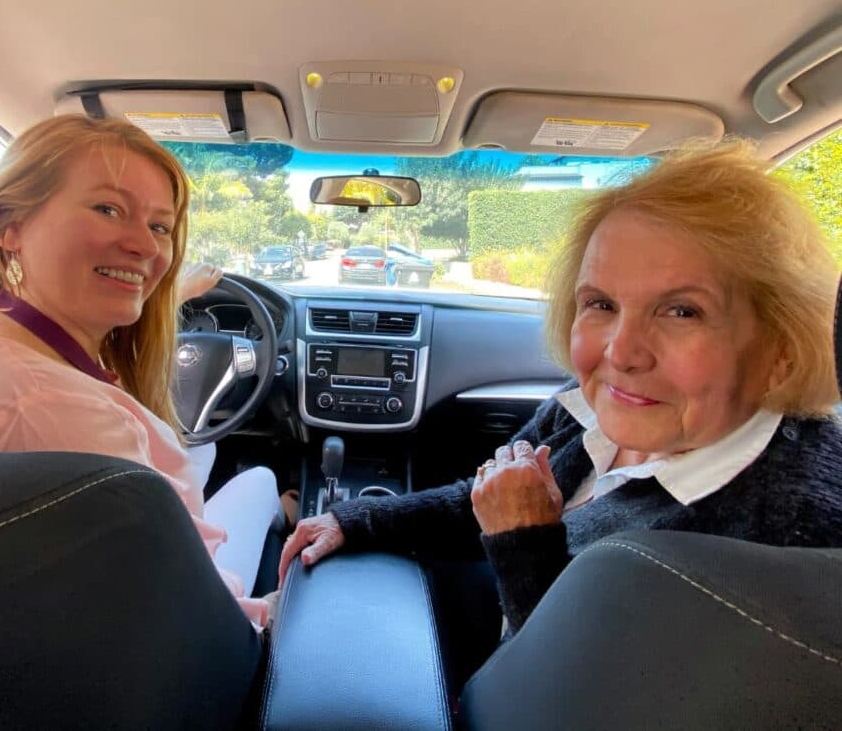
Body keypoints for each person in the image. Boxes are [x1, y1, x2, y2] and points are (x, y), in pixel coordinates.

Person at [280, 141, 842, 641]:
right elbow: (484, 497)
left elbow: (585, 693)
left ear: (782, 347)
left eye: (682, 311)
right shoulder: (592, 407)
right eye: (600, 303)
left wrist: (523, 540)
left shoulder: (797, 536)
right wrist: (356, 521)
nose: (620, 353)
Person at [0, 115, 281, 627]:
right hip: (173, 631)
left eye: (159, 227)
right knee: (258, 480)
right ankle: (288, 508)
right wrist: (279, 612)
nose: (147, 249)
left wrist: (174, 295)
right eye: (108, 209)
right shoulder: (53, 407)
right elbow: (205, 614)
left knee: (206, 446)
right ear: (10, 228)